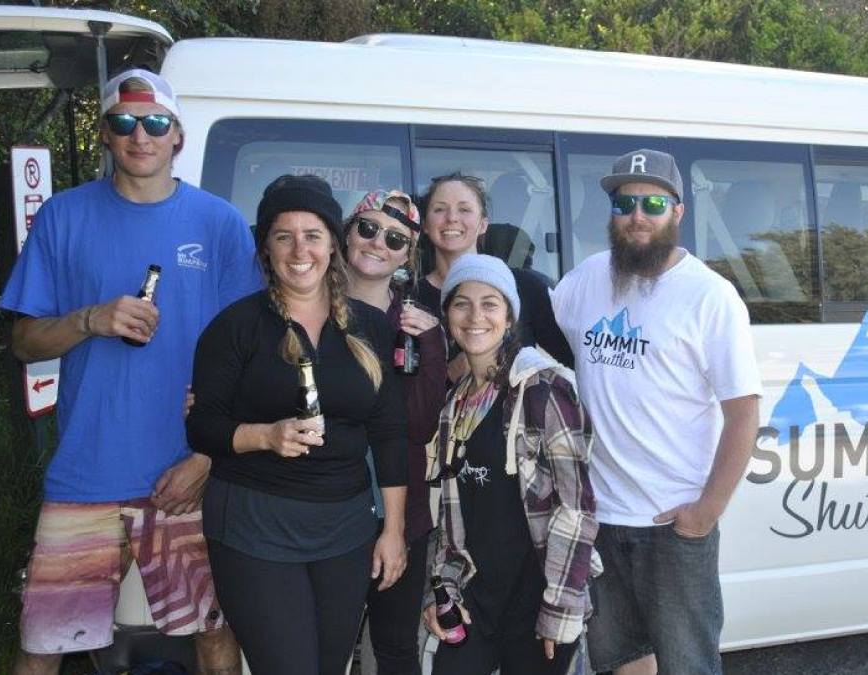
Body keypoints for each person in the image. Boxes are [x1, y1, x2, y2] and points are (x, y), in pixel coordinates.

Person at [1, 69, 258, 675]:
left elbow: (250, 358)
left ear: (178, 136)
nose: (139, 135)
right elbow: (23, 342)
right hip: (83, 476)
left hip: (183, 475)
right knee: (43, 644)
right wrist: (90, 319)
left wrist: (205, 459)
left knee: (213, 633)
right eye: (123, 122)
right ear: (105, 136)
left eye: (155, 122)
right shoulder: (63, 217)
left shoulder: (218, 223)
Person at [550, 149, 762, 675]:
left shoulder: (710, 296)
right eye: (624, 204)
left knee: (687, 664)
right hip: (600, 519)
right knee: (621, 663)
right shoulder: (587, 279)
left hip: (672, 525)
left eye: (652, 203)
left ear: (678, 211)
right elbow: (524, 336)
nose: (637, 215)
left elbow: (743, 414)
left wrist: (707, 510)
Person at [185, 174, 408, 674]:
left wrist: (392, 530)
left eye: (312, 234)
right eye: (283, 236)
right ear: (266, 248)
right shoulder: (235, 326)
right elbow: (202, 427)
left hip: (346, 529)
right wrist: (265, 435)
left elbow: (389, 432)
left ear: (334, 243)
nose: (299, 249)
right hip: (254, 524)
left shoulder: (371, 327)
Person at [422, 254, 598, 675]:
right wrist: (441, 591)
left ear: (509, 316)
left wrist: (559, 607)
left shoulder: (544, 388)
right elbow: (451, 518)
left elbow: (576, 508)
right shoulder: (454, 405)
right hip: (474, 600)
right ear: (447, 316)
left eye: (490, 303)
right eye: (461, 303)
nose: (475, 316)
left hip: (538, 601)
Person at [343, 189, 448, 674]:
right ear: (346, 233)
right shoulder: (304, 306)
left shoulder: (417, 326)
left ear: (408, 255)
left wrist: (431, 345)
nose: (377, 243)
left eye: (395, 239)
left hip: (400, 512)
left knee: (396, 646)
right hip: (321, 508)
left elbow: (421, 424)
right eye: (367, 228)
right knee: (320, 645)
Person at [413, 172, 573, 381]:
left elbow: (577, 362)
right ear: (425, 224)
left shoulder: (525, 287)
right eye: (440, 209)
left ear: (483, 224)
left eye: (464, 209)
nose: (452, 218)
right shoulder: (410, 297)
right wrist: (448, 373)